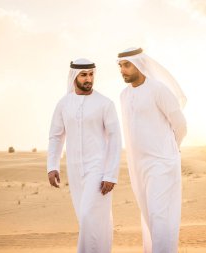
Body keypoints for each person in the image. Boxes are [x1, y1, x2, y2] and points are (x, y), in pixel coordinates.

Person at [47, 58, 122, 253]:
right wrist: (52, 165)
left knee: (89, 216)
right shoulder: (63, 104)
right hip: (74, 169)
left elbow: (115, 140)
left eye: (91, 74)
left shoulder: (105, 103)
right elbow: (56, 136)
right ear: (74, 77)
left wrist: (110, 175)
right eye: (84, 75)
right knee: (87, 220)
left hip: (98, 169)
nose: (89, 79)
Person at [117, 47, 187, 253]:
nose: (123, 69)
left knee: (160, 216)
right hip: (138, 166)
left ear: (140, 64)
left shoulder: (158, 89)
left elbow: (180, 124)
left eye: (127, 65)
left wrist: (172, 150)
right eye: (120, 65)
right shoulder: (123, 95)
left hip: (162, 163)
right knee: (149, 217)